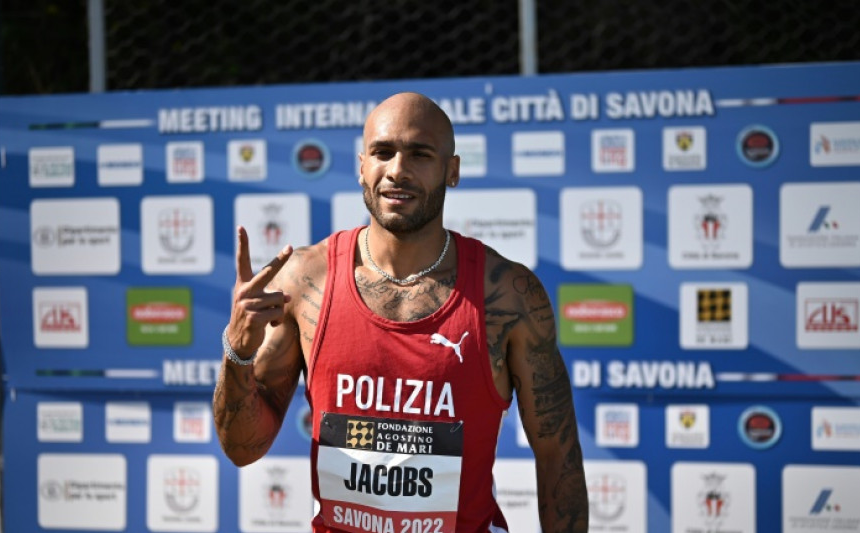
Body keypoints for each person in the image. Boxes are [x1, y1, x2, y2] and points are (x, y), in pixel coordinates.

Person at [214, 92, 588, 532]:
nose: (397, 170)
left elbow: (557, 456)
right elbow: (242, 448)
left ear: (452, 171)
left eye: (419, 154)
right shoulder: (305, 280)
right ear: (361, 167)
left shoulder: (507, 295)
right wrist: (238, 350)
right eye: (383, 152)